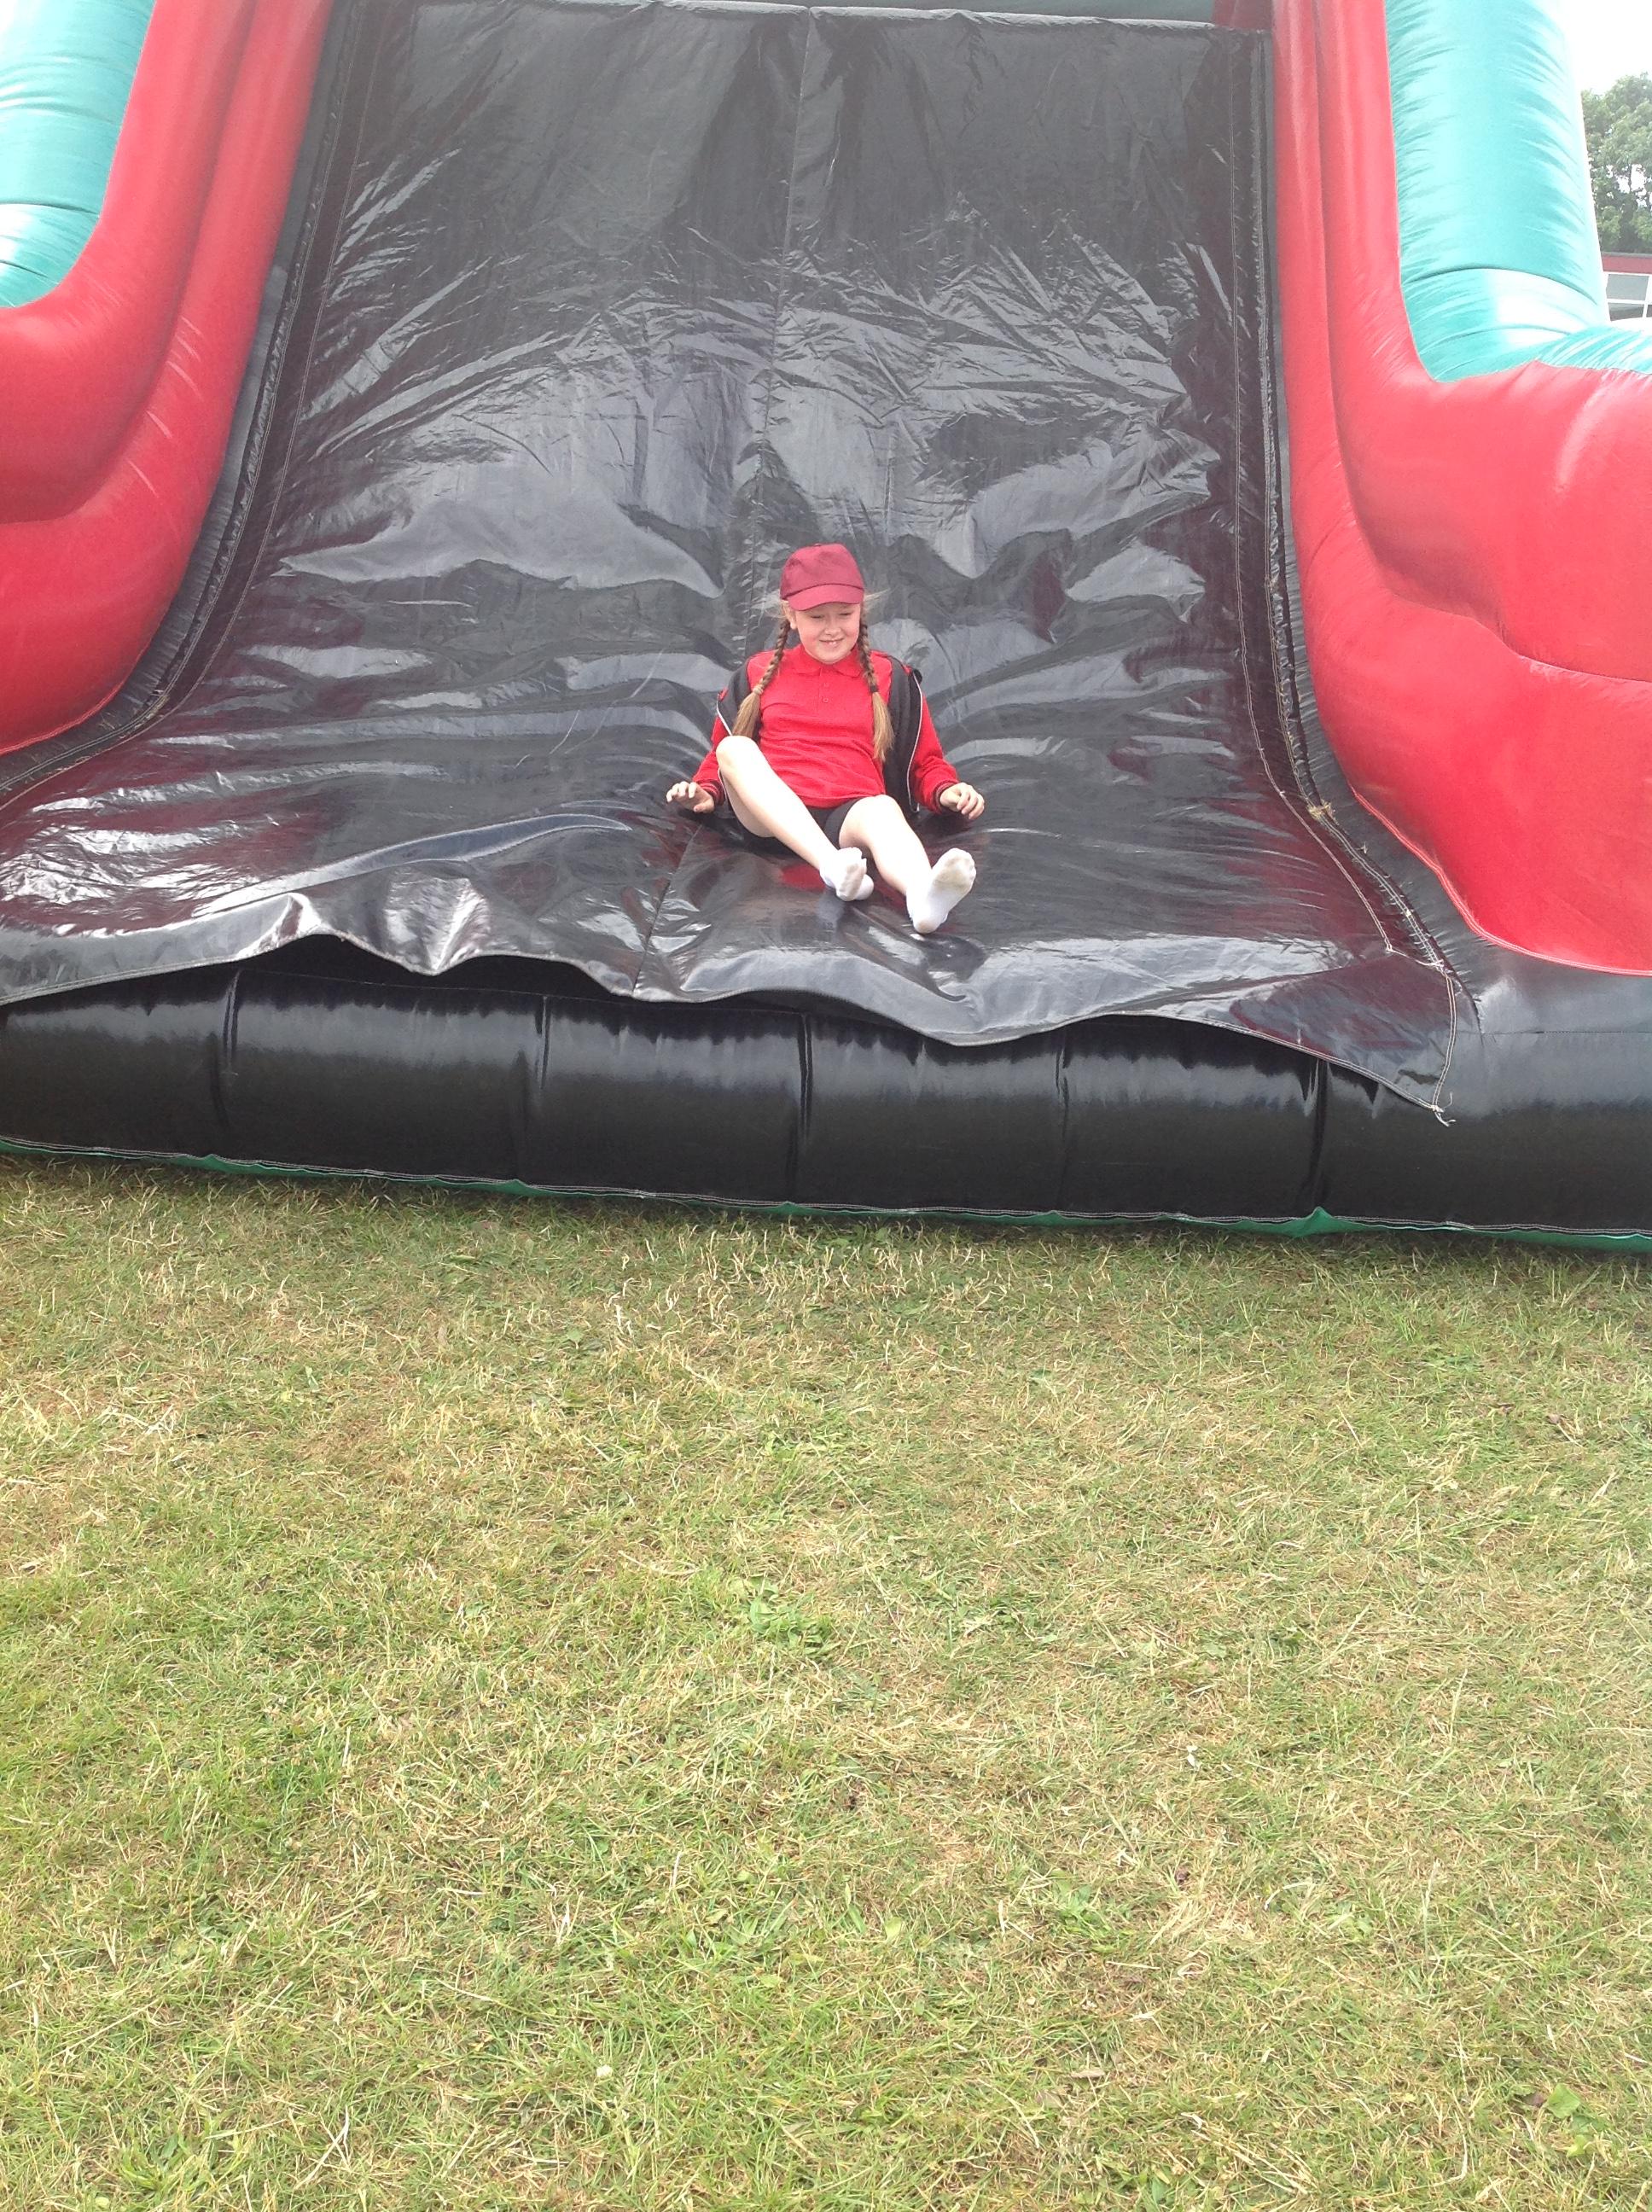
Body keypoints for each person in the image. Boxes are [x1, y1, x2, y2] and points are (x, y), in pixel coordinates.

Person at [666, 544, 985, 935]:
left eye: (845, 614)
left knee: (883, 809)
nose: (833, 629)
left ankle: (923, 895)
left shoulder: (891, 677)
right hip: (770, 820)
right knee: (735, 748)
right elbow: (723, 756)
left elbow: (924, 761)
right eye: (817, 617)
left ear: (861, 610)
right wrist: (706, 791)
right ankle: (830, 864)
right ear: (791, 615)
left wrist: (946, 790)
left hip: (847, 817)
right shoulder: (757, 673)